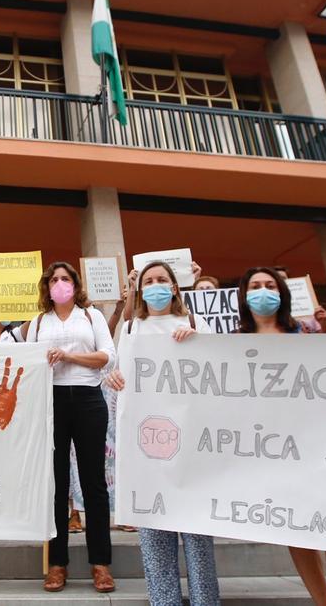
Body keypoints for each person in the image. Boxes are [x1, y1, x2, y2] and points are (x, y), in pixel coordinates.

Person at [238, 267, 326, 606]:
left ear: (282, 293)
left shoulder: (306, 332)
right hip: (272, 450)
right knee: (298, 532)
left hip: (318, 443)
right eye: (255, 286)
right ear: (243, 295)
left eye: (270, 285)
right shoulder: (232, 342)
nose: (263, 291)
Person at [104, 260, 220, 606]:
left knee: (199, 543)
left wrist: (200, 343)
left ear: (174, 287)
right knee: (155, 540)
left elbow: (222, 373)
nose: (155, 285)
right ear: (141, 290)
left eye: (162, 280)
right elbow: (118, 376)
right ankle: (164, 600)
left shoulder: (197, 324)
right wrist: (114, 379)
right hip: (148, 454)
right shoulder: (130, 330)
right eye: (149, 280)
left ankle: (205, 601)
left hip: (193, 453)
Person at [26, 261, 117, 594]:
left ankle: (100, 564)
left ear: (75, 285)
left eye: (65, 278)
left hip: (89, 399)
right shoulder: (37, 323)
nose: (59, 283)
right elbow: (25, 362)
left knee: (94, 483)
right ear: (46, 286)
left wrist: (69, 356)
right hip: (51, 402)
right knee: (55, 483)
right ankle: (57, 564)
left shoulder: (90, 316)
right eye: (54, 279)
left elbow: (109, 356)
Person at [273, 265, 326, 333]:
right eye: (277, 279)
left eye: (284, 278)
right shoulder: (268, 312)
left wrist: (323, 323)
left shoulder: (309, 308)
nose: (281, 282)